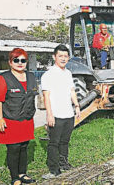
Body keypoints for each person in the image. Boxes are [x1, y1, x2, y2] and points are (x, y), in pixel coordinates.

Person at [0, 48, 38, 185]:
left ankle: (22, 173)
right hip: (10, 120)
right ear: (10, 63)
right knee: (13, 149)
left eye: (23, 60)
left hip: (27, 120)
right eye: (16, 60)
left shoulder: (31, 77)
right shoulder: (3, 78)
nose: (20, 63)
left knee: (24, 147)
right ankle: (15, 178)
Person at [41, 44, 81, 179]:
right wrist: (49, 115)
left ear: (68, 58)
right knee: (54, 143)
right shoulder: (48, 74)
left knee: (65, 141)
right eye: (60, 56)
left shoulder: (68, 73)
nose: (63, 59)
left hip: (68, 114)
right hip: (56, 115)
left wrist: (77, 106)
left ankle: (64, 163)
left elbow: (72, 91)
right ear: (54, 57)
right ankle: (54, 168)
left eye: (65, 56)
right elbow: (46, 96)